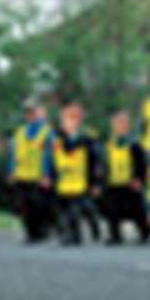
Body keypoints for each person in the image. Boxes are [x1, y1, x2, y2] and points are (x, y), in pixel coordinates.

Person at [43, 103, 102, 246]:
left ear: (77, 121)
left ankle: (90, 225)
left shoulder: (88, 140)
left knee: (80, 208)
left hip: (81, 182)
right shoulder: (55, 138)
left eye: (68, 120)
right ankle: (70, 235)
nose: (64, 124)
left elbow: (96, 163)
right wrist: (47, 176)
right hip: (63, 182)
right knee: (64, 211)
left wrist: (96, 183)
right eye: (63, 120)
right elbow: (51, 159)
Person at [6, 98, 55, 243]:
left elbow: (49, 155)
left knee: (38, 206)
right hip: (21, 175)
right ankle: (31, 233)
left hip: (38, 176)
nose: (31, 115)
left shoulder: (48, 133)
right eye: (29, 112)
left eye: (34, 112)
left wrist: (46, 174)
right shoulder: (20, 132)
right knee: (23, 206)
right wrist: (10, 171)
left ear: (42, 113)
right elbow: (12, 153)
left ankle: (41, 232)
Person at [102, 111, 150, 245]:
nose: (117, 127)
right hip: (113, 182)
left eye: (120, 124)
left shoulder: (134, 144)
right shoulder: (110, 144)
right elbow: (106, 163)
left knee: (136, 210)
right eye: (115, 125)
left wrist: (138, 179)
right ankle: (115, 235)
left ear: (126, 126)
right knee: (112, 210)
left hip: (130, 182)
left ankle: (145, 231)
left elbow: (141, 164)